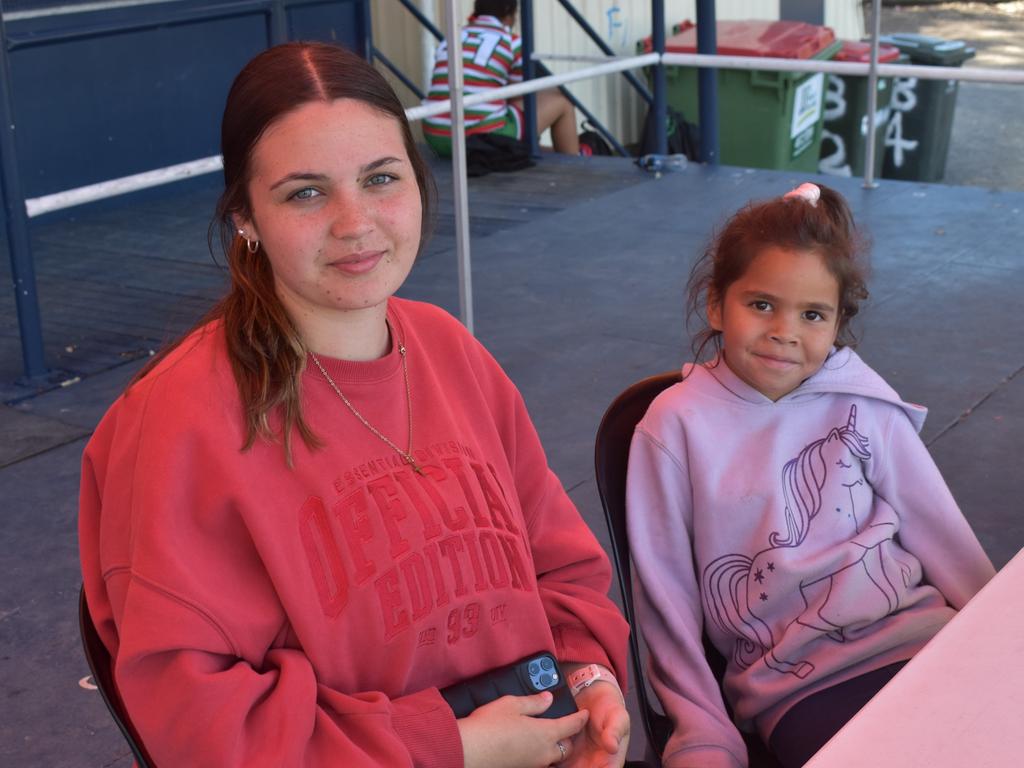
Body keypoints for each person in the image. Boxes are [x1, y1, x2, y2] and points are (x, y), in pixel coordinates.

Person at [78, 41, 630, 768]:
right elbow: (200, 724)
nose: (355, 221)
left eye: (380, 179)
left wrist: (587, 678)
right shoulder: (178, 421)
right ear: (244, 214)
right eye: (305, 192)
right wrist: (446, 747)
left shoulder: (449, 349)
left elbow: (563, 572)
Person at [625, 182, 996, 768]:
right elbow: (664, 595)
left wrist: (997, 635)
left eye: (812, 314)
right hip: (798, 688)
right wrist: (700, 730)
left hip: (927, 642)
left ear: (837, 323)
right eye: (762, 304)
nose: (785, 332)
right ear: (716, 304)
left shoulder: (864, 405)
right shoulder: (673, 427)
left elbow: (940, 531)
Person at [423, 0, 580, 156]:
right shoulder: (512, 42)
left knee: (505, 105)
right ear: (508, 12)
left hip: (436, 136)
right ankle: (576, 163)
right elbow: (521, 94)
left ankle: (544, 150)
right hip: (478, 140)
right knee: (562, 100)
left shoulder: (451, 38)